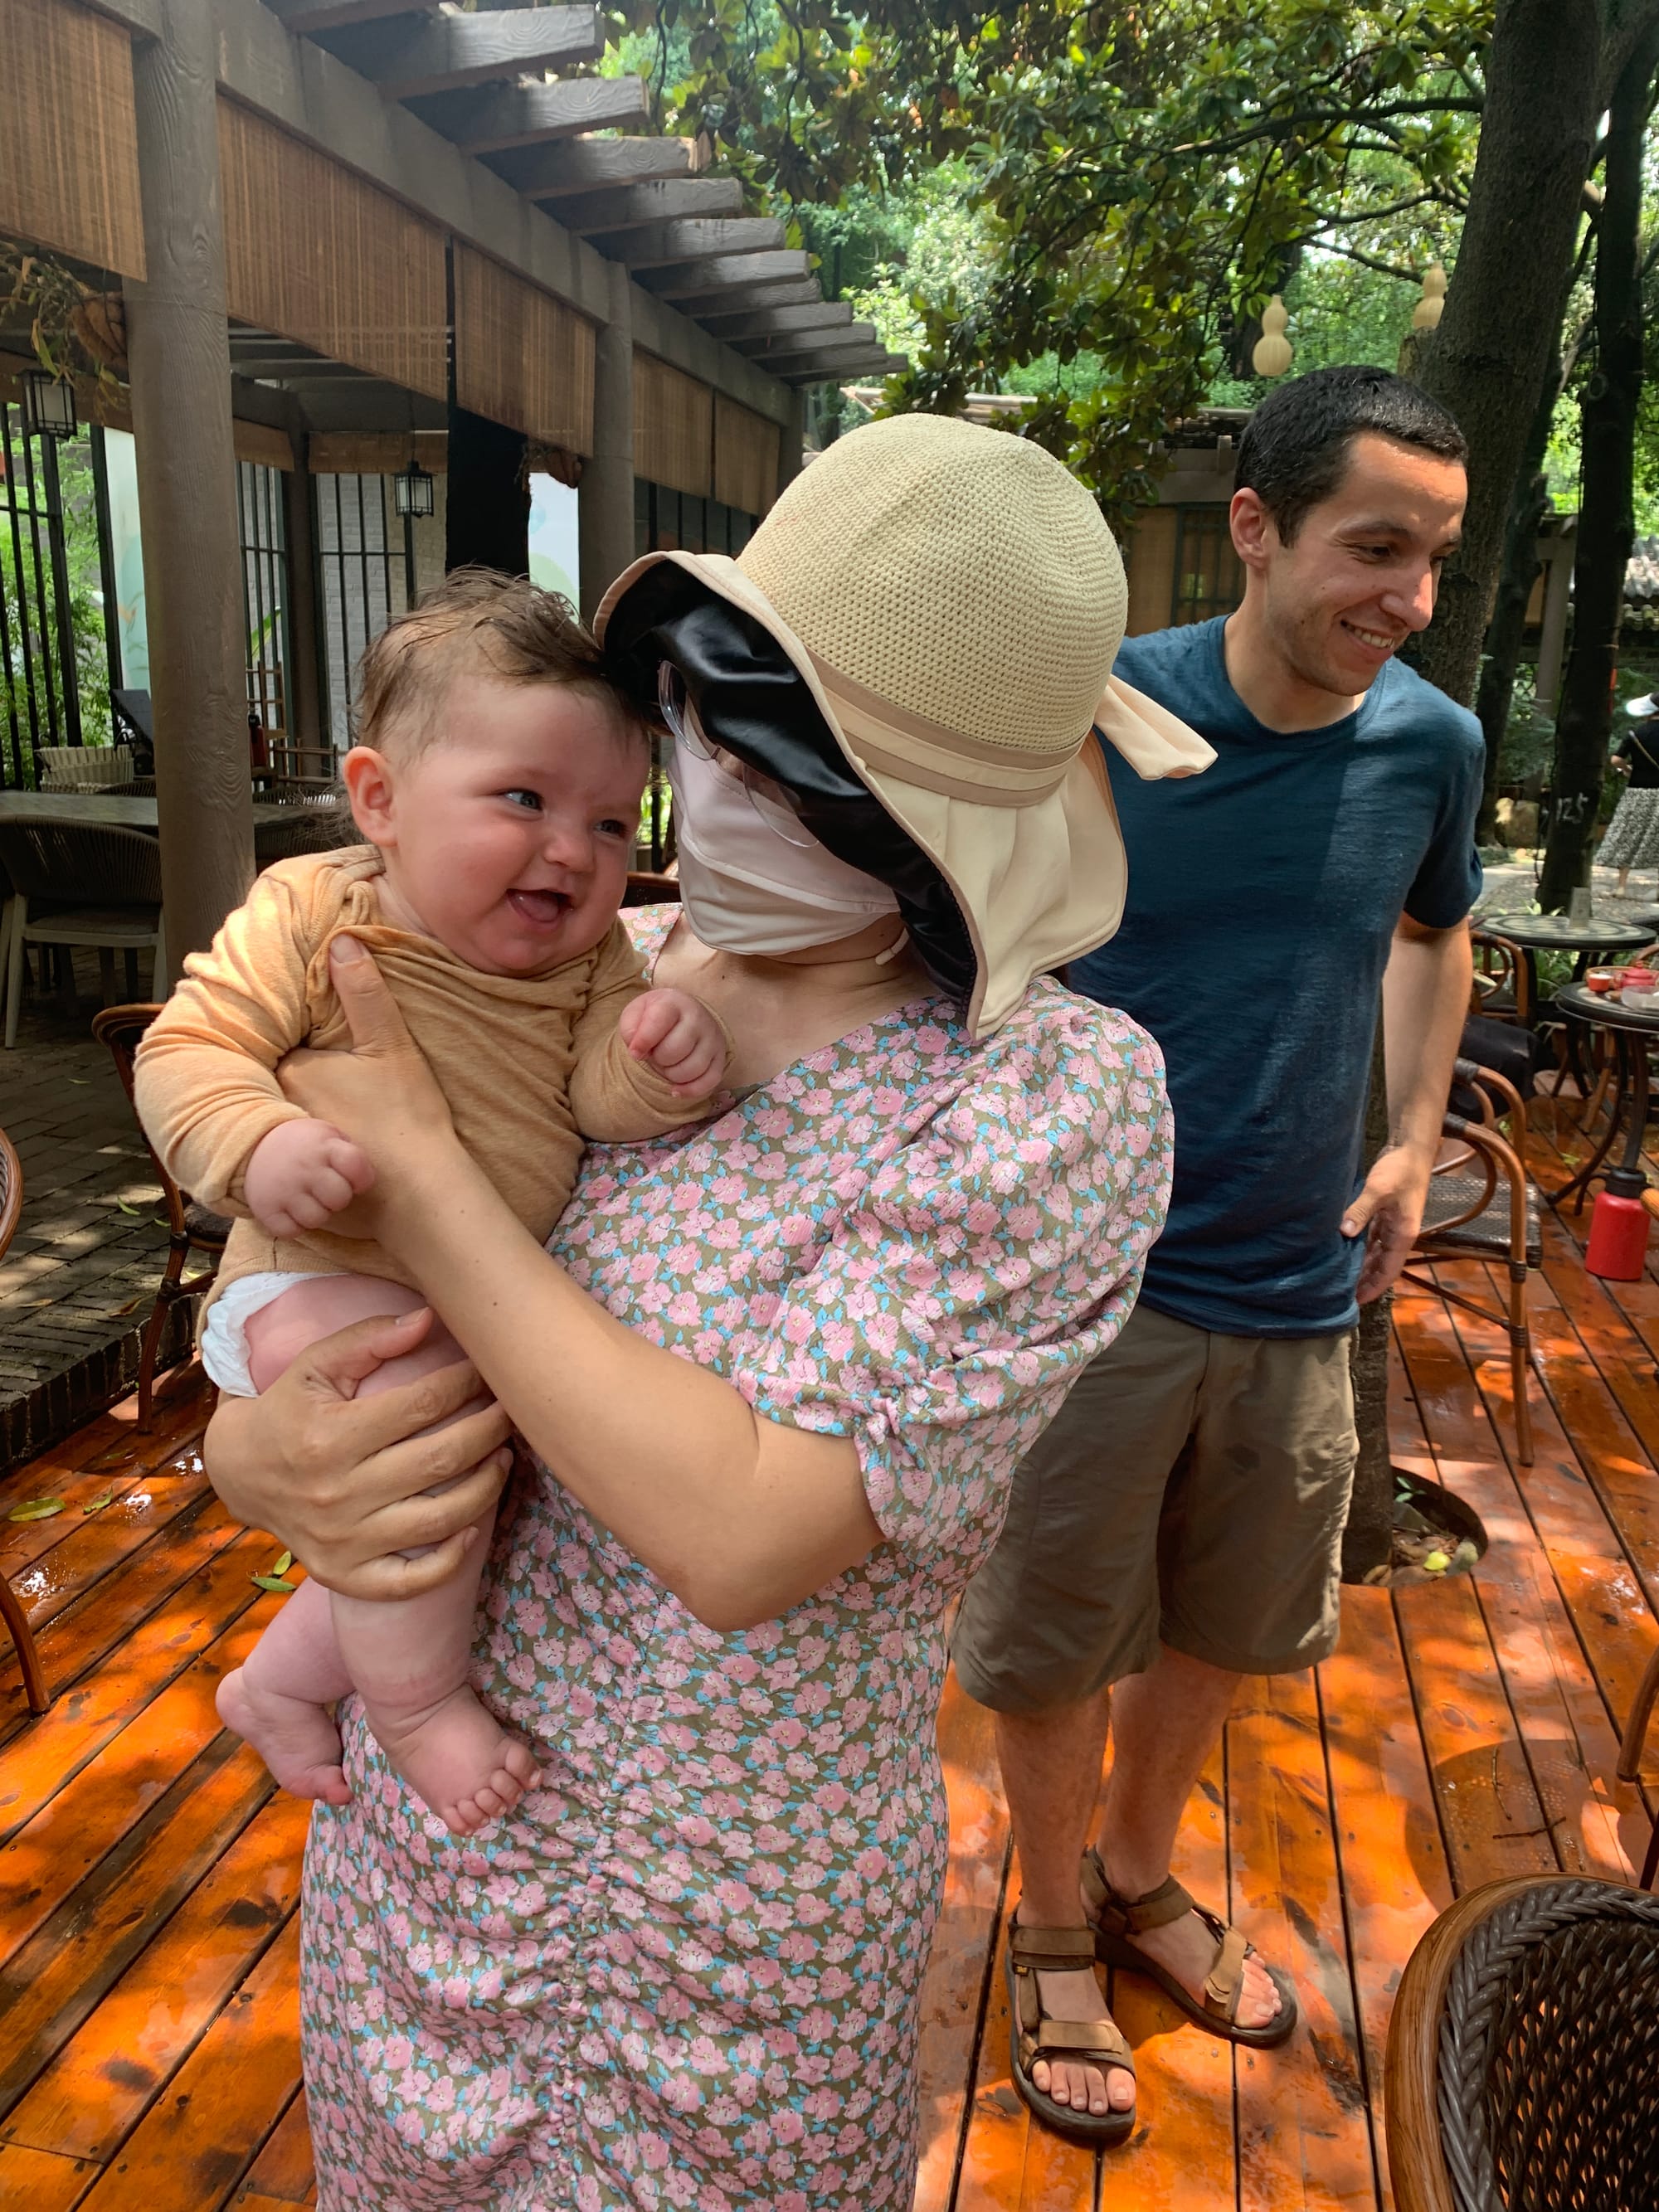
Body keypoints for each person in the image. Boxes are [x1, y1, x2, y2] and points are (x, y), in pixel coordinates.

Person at [197, 411, 1211, 2208]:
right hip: (429, 1842)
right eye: (702, 729)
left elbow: (743, 1532)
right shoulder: (610, 964)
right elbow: (301, 1237)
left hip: (723, 1923)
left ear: (935, 830)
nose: (715, 797)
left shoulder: (1043, 1099)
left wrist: (423, 1173)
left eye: (793, 773)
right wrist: (252, 1447)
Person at [952, 364, 1482, 2140]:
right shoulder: (1098, 714)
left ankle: (1135, 1870)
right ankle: (1047, 1924)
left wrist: (1413, 1133)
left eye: (1433, 557)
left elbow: (1432, 932)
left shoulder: (1430, 744)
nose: (1409, 597)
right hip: (1090, 1282)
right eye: (1375, 547)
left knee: (1222, 1621)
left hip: (1295, 1275)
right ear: (1254, 527)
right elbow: (967, 941)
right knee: (1052, 1634)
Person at [134, 572, 730, 1837]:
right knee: (423, 1436)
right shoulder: (317, 908)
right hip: (316, 1274)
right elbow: (185, 1048)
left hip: (453, 1293)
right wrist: (255, 1139)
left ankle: (281, 1679)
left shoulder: (597, 958)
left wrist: (654, 1064)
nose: (574, 850)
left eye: (614, 821)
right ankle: (414, 1706)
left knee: (438, 1476)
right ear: (380, 800)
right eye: (523, 798)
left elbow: (597, 1092)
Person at [1598, 696, 1659, 895]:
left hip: (1637, 792)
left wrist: (1628, 769)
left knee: (1628, 836)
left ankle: (1622, 886)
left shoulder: (1636, 734)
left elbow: (1616, 760)